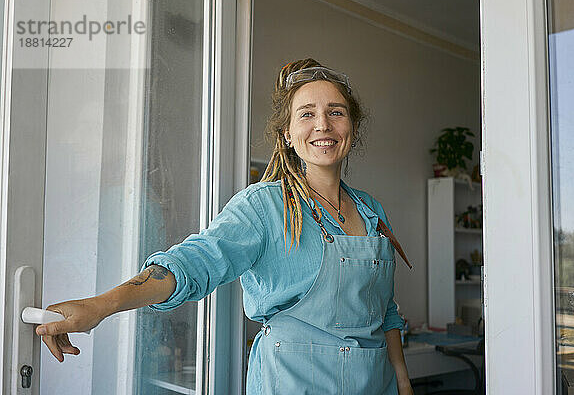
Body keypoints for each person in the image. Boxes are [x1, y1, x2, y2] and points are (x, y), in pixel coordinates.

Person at [36, 58, 413, 395]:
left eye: (336, 112)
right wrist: (101, 306)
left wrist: (402, 381)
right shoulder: (265, 205)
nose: (323, 125)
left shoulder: (370, 210)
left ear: (352, 125)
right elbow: (190, 265)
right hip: (294, 383)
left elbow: (385, 311)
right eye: (307, 114)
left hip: (374, 384)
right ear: (286, 134)